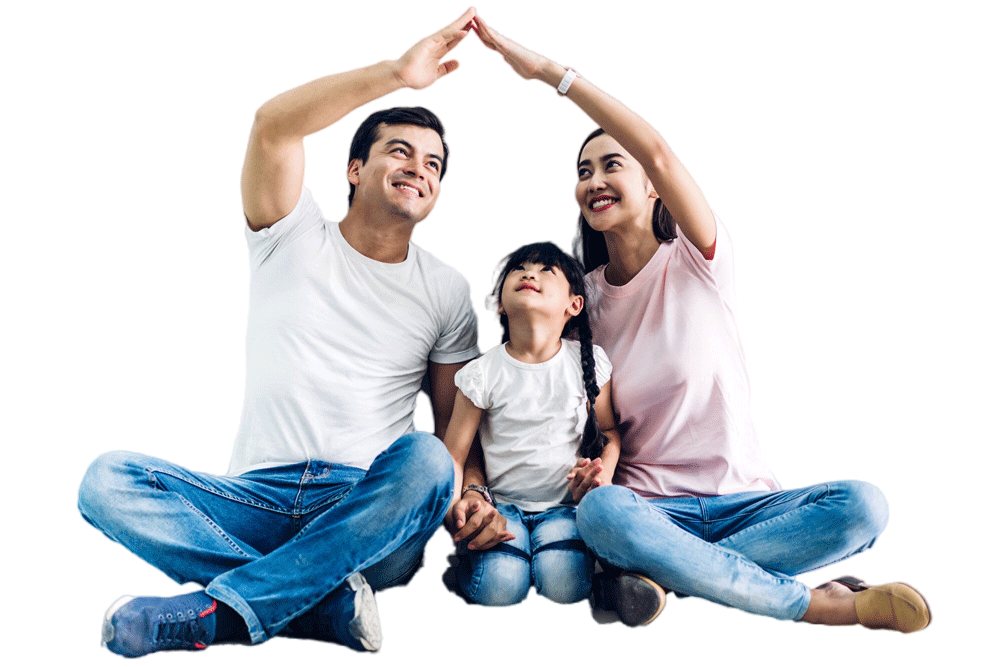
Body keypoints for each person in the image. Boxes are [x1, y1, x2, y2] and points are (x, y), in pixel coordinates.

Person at [468, 14, 931, 633]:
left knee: (864, 507)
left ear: (654, 188)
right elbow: (548, 405)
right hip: (645, 513)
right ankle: (816, 604)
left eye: (611, 165)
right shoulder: (581, 305)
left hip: (749, 504)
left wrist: (552, 74)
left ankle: (664, 578)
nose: (595, 181)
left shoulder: (700, 259)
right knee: (603, 514)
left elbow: (657, 149)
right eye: (583, 172)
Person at [77, 8, 508, 658]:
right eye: (400, 150)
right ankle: (323, 602)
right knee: (105, 480)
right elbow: (273, 126)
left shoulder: (445, 290)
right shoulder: (289, 234)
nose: (420, 168)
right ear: (354, 169)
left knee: (425, 458)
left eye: (434, 164)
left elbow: (455, 434)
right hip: (253, 495)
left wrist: (473, 490)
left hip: (367, 507)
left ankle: (222, 612)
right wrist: (396, 74)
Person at [443, 242, 621, 606]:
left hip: (564, 508)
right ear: (499, 304)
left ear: (574, 305)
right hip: (502, 508)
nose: (529, 274)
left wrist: (603, 477)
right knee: (499, 588)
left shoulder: (590, 363)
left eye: (545, 271)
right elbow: (454, 457)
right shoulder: (481, 374)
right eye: (520, 269)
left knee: (563, 585)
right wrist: (462, 509)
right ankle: (460, 570)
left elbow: (610, 434)